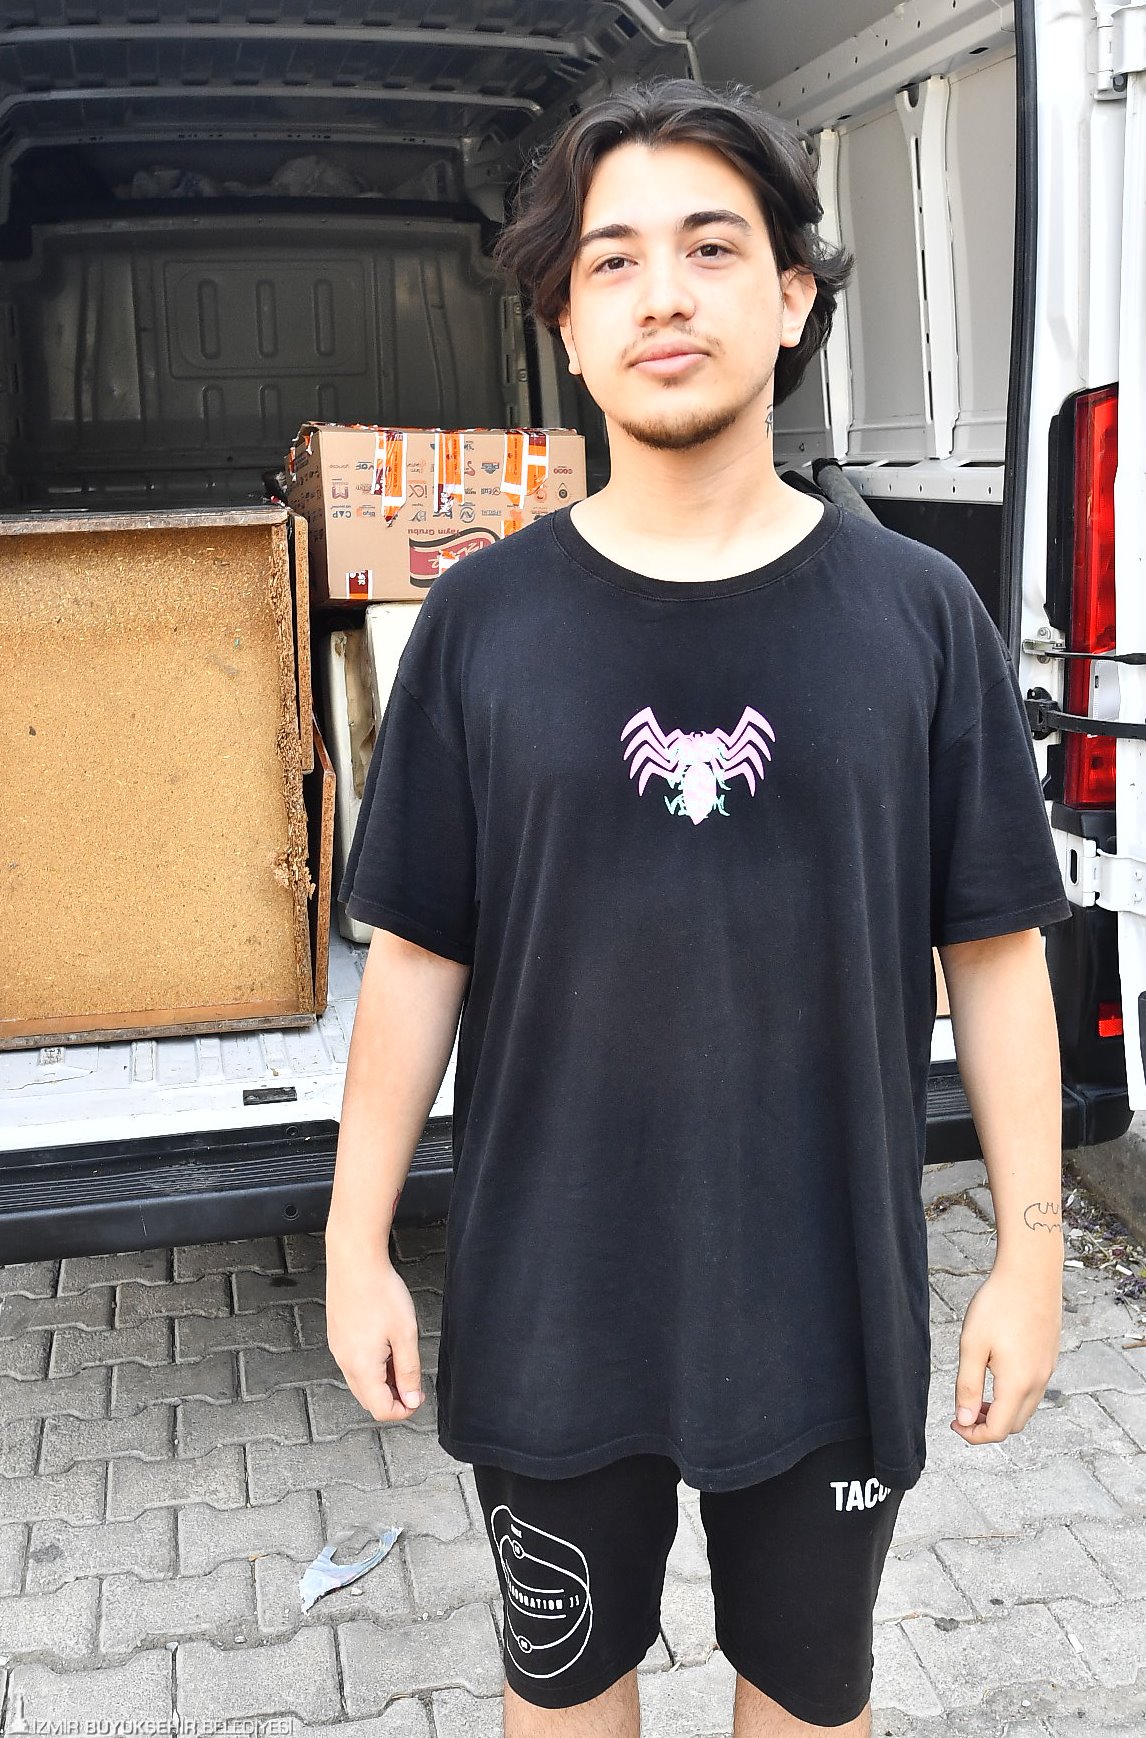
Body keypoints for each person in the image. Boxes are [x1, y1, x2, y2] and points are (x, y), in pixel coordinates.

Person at [325, 78, 1071, 1738]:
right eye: (612, 261)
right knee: (562, 1694)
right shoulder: (480, 625)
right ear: (565, 328)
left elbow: (995, 952)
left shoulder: (919, 617)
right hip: (550, 1299)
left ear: (793, 297)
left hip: (827, 1303)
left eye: (711, 247)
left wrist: (1028, 1262)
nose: (661, 293)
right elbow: (419, 954)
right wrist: (353, 1237)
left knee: (808, 1700)